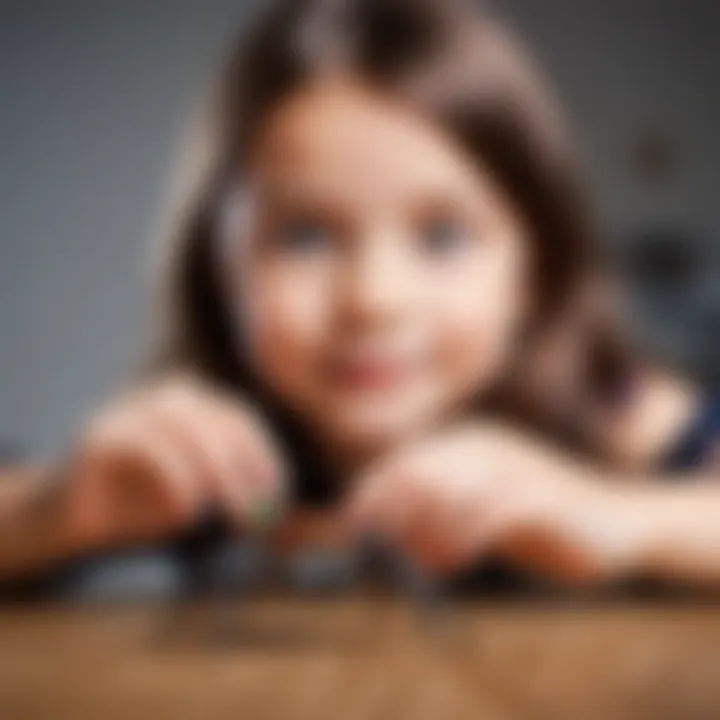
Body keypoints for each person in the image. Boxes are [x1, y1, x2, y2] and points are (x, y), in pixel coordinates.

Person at [1, 0, 718, 596]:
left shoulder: (609, 406)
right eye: (305, 237)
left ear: (531, 269)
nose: (374, 299)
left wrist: (621, 517)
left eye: (442, 237)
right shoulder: (205, 457)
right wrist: (57, 508)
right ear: (220, 268)